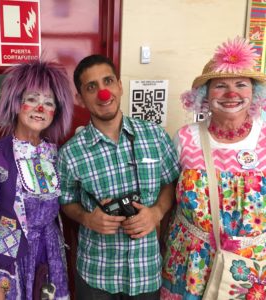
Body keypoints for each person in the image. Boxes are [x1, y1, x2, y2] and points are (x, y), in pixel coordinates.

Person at [57, 54, 180, 299]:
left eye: (108, 81)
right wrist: (87, 218)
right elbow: (66, 201)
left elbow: (170, 182)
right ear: (80, 99)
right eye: (92, 87)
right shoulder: (70, 153)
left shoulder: (155, 136)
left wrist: (156, 212)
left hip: (146, 272)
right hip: (96, 274)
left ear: (120, 86)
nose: (103, 93)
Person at [161, 37, 266, 299]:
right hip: (189, 264)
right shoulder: (185, 138)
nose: (232, 94)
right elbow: (168, 194)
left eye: (241, 85)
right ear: (205, 96)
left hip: (251, 269)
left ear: (253, 93)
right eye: (220, 86)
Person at [0, 60, 74, 300]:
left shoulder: (56, 154)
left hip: (49, 257)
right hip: (7, 261)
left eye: (49, 103)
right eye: (33, 99)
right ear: (17, 103)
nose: (40, 108)